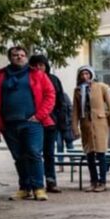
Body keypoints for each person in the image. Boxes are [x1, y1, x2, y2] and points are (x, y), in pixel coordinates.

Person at [0, 46, 56, 201]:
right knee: (19, 156)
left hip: (32, 123)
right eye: (15, 55)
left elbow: (50, 95)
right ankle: (24, 188)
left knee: (34, 153)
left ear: (26, 58)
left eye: (22, 55)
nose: (19, 57)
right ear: (10, 57)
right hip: (8, 124)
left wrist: (39, 116)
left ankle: (38, 188)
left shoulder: (37, 75)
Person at [28, 54, 71, 194]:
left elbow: (61, 102)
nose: (39, 68)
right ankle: (33, 182)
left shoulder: (53, 79)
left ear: (46, 66)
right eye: (35, 65)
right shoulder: (27, 79)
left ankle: (51, 181)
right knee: (33, 153)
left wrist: (59, 120)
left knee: (49, 153)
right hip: (32, 121)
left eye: (41, 65)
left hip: (50, 122)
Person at [71, 66, 110, 193]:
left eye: (87, 73)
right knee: (89, 155)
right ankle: (93, 181)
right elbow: (75, 111)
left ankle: (102, 182)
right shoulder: (78, 90)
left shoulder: (102, 87)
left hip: (100, 123)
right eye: (82, 74)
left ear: (91, 74)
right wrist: (75, 128)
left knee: (101, 154)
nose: (85, 76)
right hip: (85, 124)